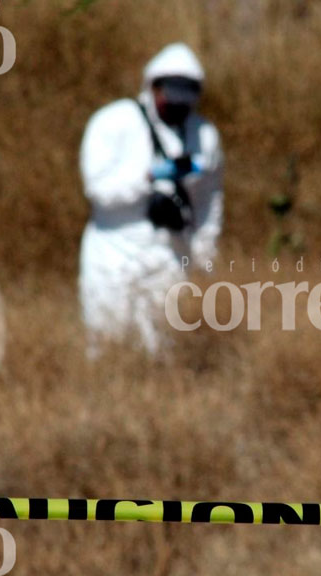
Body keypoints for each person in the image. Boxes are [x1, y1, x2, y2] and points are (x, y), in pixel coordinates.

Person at [78, 43, 224, 358]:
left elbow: (209, 199)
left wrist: (205, 253)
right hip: (113, 254)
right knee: (107, 343)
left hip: (170, 256)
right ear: (152, 87)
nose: (176, 109)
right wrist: (149, 177)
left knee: (164, 348)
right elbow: (98, 191)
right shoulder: (114, 122)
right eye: (169, 100)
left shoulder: (204, 135)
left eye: (185, 103)